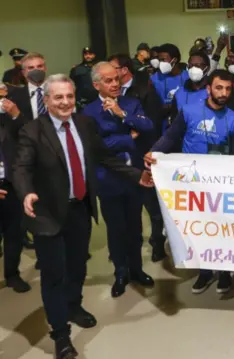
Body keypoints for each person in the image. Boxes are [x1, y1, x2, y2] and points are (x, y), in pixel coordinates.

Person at [13, 74, 153, 359]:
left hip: (79, 208)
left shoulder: (84, 124)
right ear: (46, 100)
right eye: (58, 97)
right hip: (47, 214)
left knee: (77, 266)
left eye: (70, 97)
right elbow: (21, 168)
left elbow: (105, 157)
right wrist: (26, 192)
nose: (65, 102)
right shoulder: (33, 130)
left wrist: (137, 176)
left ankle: (74, 305)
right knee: (54, 275)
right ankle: (61, 334)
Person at [145, 70, 234, 295]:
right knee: (200, 230)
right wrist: (154, 153)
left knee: (223, 229)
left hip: (221, 185)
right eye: (219, 87)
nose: (223, 93)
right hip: (193, 184)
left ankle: (225, 272)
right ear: (208, 88)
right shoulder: (188, 112)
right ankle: (205, 272)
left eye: (228, 89)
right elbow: (171, 136)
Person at [82, 62, 155, 298]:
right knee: (116, 228)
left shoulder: (131, 103)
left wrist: (122, 115)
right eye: (108, 81)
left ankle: (137, 269)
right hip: (108, 178)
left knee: (135, 225)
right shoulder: (89, 112)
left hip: (135, 176)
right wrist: (126, 138)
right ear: (96, 85)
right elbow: (96, 148)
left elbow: (148, 126)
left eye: (116, 79)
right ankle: (120, 272)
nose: (115, 84)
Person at [108, 54, 167, 262]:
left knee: (152, 206)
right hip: (121, 158)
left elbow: (153, 122)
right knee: (128, 208)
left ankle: (157, 243)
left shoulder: (144, 90)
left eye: (113, 68)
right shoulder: (110, 95)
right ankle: (128, 247)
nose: (110, 75)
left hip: (145, 153)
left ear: (124, 70)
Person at [0, 83, 30, 293]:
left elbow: (28, 135)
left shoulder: (10, 115)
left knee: (14, 233)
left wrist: (15, 114)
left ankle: (12, 274)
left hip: (10, 183)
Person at [169, 51, 211, 122]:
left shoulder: (213, 92)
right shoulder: (179, 93)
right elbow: (174, 121)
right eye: (191, 65)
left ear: (207, 68)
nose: (193, 68)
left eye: (198, 65)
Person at [8, 52, 48, 122]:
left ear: (45, 68)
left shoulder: (58, 90)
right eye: (31, 68)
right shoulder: (14, 96)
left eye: (39, 66)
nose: (36, 70)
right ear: (24, 73)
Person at [70, 47, 99, 112]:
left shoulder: (100, 67)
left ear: (94, 55)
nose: (88, 56)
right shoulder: (77, 69)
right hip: (82, 103)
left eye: (90, 54)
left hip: (98, 101)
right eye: (86, 54)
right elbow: (71, 85)